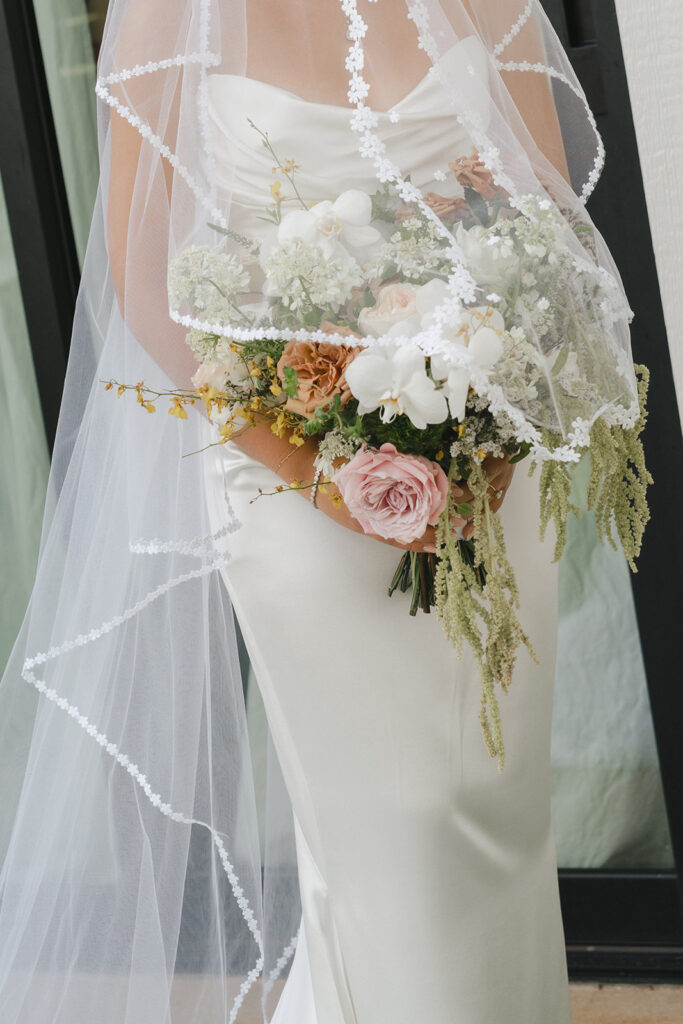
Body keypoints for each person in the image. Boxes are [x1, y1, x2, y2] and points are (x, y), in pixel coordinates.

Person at [0, 2, 640, 1022]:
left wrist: (487, 424)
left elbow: (542, 212)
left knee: (497, 817)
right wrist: (334, 471)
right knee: (397, 831)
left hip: (483, 472)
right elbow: (149, 289)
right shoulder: (171, 9)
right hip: (290, 489)